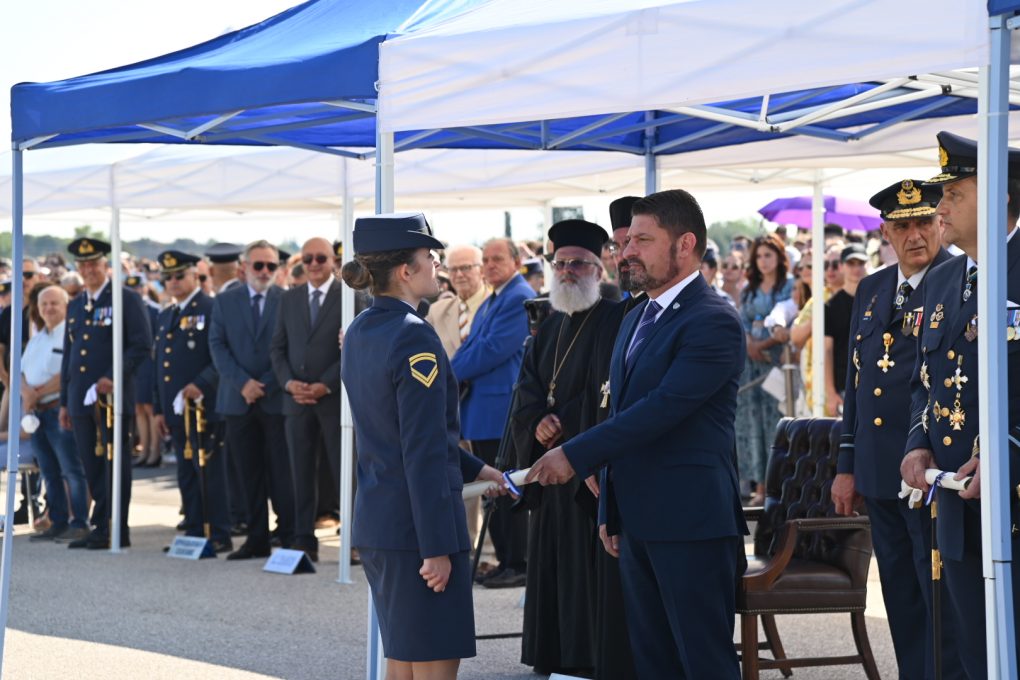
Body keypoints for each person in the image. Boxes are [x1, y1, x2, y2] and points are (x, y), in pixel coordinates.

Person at [528, 188, 747, 679]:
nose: (626, 252)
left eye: (642, 241)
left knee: (703, 661)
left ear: (685, 244)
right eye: (626, 242)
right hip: (636, 521)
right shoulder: (636, 318)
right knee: (653, 662)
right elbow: (618, 410)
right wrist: (611, 508)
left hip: (690, 521)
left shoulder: (712, 320)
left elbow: (660, 410)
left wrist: (574, 454)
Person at [340, 212, 507, 680]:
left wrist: (478, 469)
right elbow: (422, 448)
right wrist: (436, 546)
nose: (438, 265)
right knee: (432, 663)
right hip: (419, 530)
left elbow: (400, 432)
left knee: (403, 660)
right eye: (429, 256)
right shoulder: (413, 334)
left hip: (383, 522)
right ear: (404, 271)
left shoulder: (361, 329)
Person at [901, 131, 1020, 680]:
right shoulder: (945, 278)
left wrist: (1005, 454)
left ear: (997, 198)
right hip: (957, 503)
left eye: (954, 195)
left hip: (1011, 497)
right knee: (975, 654)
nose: (940, 208)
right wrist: (918, 443)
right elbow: (924, 383)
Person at [833, 179, 963, 679]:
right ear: (885, 232)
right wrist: (846, 464)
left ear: (940, 223)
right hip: (876, 470)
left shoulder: (959, 280)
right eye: (902, 226)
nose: (915, 235)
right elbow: (856, 381)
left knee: (940, 598)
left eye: (924, 222)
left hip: (928, 469)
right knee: (900, 597)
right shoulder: (872, 288)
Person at [511, 220, 615, 676]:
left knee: (581, 567)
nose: (568, 271)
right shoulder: (550, 325)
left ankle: (580, 660)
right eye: (561, 263)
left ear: (599, 269)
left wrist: (567, 423)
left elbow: (609, 391)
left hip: (583, 466)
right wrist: (537, 420)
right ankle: (549, 655)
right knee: (550, 561)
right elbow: (528, 387)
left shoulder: (614, 319)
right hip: (548, 465)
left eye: (579, 263)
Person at [452, 237, 535, 588]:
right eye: (485, 259)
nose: (489, 265)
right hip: (483, 409)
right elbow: (471, 345)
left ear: (516, 261)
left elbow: (492, 349)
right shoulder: (493, 299)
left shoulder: (518, 296)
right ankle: (505, 559)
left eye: (497, 259)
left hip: (501, 410)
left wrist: (448, 373)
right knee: (492, 488)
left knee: (505, 486)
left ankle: (518, 562)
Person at [59, 238, 152, 549]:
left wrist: (113, 377)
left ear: (105, 266)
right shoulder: (75, 304)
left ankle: (115, 527)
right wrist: (64, 401)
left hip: (111, 399)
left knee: (115, 463)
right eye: (83, 265)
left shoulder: (125, 299)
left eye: (94, 264)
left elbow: (141, 345)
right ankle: (100, 523)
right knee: (91, 463)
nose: (89, 270)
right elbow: (69, 356)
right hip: (80, 399)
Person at [210, 240, 295, 559]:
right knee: (247, 472)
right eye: (258, 265)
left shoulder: (286, 300)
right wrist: (243, 383)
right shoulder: (225, 300)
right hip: (237, 399)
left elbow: (290, 348)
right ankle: (256, 538)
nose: (264, 271)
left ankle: (288, 534)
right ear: (244, 267)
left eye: (271, 266)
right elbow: (217, 346)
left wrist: (267, 384)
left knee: (281, 471)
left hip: (275, 399)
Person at [152, 250, 233, 553]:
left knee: (210, 472)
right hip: (177, 409)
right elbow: (160, 365)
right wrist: (159, 409)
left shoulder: (211, 307)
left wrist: (200, 384)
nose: (173, 281)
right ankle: (195, 529)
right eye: (167, 277)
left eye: (179, 275)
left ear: (195, 276)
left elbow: (221, 356)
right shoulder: (167, 314)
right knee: (186, 472)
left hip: (204, 406)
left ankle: (218, 532)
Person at [270, 237, 344, 562]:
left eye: (321, 258)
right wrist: (288, 383)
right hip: (296, 401)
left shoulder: (350, 296)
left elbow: (355, 348)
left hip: (334, 400)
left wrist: (326, 384)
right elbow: (277, 348)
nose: (314, 264)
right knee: (300, 472)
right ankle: (303, 539)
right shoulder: (289, 298)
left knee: (344, 472)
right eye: (308, 259)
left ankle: (354, 539)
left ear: (333, 261)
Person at [23, 284, 90, 543]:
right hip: (37, 414)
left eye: (54, 303)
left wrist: (36, 393)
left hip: (57, 409)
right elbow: (21, 371)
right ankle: (58, 521)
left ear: (66, 306)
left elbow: (68, 373)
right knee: (48, 471)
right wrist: (27, 393)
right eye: (44, 304)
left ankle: (79, 522)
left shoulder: (71, 334)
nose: (48, 308)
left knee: (71, 470)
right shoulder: (38, 338)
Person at [734, 233, 792, 504]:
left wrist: (763, 344)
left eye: (768, 255)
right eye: (758, 256)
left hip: (777, 362)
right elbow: (742, 321)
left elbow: (788, 322)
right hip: (751, 364)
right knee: (752, 422)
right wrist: (750, 344)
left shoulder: (789, 286)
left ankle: (779, 485)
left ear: (779, 257)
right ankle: (759, 485)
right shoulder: (749, 289)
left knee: (777, 422)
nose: (763, 261)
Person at [824, 243, 868, 416]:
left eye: (860, 263)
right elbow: (827, 351)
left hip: (873, 382)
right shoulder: (830, 306)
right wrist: (830, 393)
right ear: (841, 266)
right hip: (844, 386)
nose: (856, 268)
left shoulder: (878, 300)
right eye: (851, 263)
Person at [425, 244, 488, 360]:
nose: (459, 274)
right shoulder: (436, 311)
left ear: (482, 270)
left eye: (466, 267)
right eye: (453, 269)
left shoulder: (500, 306)